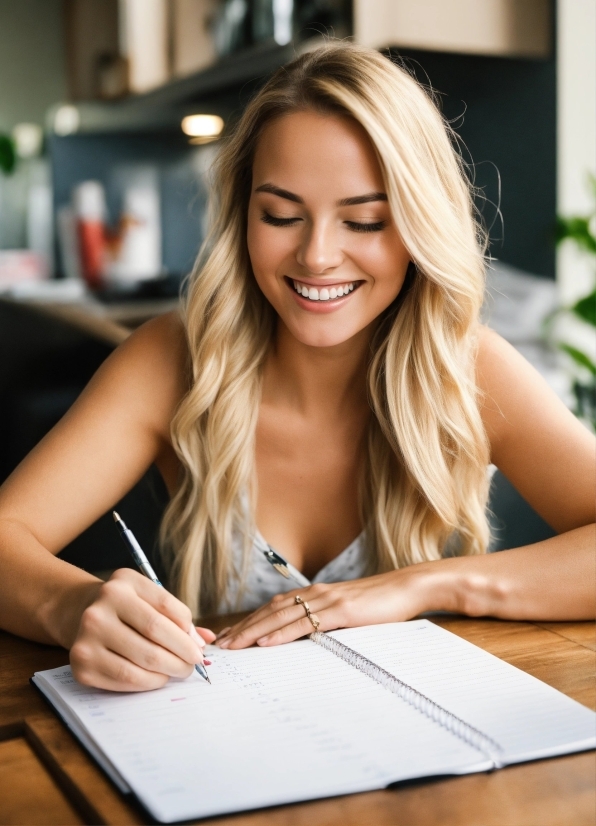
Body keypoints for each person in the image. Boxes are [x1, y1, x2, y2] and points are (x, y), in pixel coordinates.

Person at [0, 43, 593, 692]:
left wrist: (427, 584)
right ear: (243, 213)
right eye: (281, 215)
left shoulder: (468, 369)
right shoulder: (173, 362)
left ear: (420, 226)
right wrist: (72, 605)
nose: (316, 256)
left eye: (364, 221)